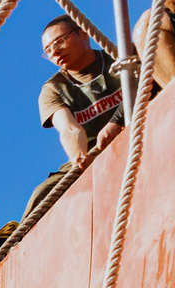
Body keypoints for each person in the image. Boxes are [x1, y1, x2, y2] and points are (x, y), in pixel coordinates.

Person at [23, 16, 129, 224]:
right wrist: (79, 158)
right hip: (92, 150)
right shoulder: (54, 88)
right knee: (42, 194)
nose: (54, 52)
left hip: (135, 127)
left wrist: (117, 121)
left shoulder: (119, 56)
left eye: (59, 41)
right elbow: (69, 129)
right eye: (48, 51)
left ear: (84, 33)